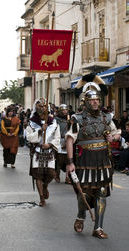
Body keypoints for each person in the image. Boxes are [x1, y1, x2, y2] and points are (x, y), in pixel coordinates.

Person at [66, 85, 120, 239]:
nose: (95, 103)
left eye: (97, 100)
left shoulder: (106, 117)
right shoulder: (77, 119)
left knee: (101, 193)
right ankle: (81, 215)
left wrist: (113, 137)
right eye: (92, 100)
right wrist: (70, 162)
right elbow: (70, 140)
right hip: (85, 159)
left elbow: (116, 133)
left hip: (103, 160)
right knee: (85, 192)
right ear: (86, 102)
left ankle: (98, 228)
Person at [26, 98, 60, 206]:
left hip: (49, 151)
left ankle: (45, 186)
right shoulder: (32, 122)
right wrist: (40, 131)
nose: (43, 108)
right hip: (37, 151)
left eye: (44, 106)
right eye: (40, 106)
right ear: (36, 108)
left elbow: (57, 137)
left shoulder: (53, 122)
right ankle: (41, 198)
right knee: (38, 176)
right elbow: (29, 137)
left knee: (51, 173)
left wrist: (49, 144)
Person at [55, 104, 71, 184]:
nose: (65, 111)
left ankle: (67, 177)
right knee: (59, 160)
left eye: (66, 110)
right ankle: (57, 174)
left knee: (68, 160)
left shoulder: (70, 119)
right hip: (59, 141)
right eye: (63, 110)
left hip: (68, 140)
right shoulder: (56, 120)